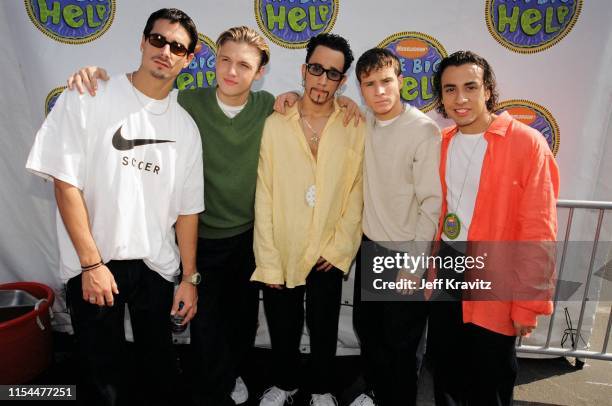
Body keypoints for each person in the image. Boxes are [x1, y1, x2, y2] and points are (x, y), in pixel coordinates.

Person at [66, 26, 362, 406]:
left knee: (243, 321)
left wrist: (334, 103)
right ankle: (213, 384)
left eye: (244, 65)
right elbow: (142, 95)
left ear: (259, 73)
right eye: (225, 60)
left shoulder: (269, 107)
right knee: (204, 324)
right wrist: (96, 77)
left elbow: (315, 127)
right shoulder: (187, 101)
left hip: (245, 238)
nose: (232, 71)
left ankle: (234, 374)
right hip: (197, 236)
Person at [26, 8, 203, 406]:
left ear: (188, 59)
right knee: (102, 382)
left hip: (156, 268)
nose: (166, 51)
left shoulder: (186, 128)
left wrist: (189, 280)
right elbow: (65, 182)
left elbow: (189, 211)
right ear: (142, 41)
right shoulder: (89, 96)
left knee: (160, 377)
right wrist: (91, 265)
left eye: (178, 47)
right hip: (94, 265)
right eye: (158, 40)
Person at [427, 50, 559, 406]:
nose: (461, 98)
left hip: (497, 275)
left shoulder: (527, 144)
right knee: (447, 378)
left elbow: (539, 230)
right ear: (441, 96)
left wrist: (528, 303)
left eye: (470, 87)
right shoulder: (440, 143)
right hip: (449, 272)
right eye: (450, 89)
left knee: (490, 381)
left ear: (488, 90)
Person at [251, 33, 364, 406]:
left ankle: (320, 388)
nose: (322, 80)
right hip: (283, 244)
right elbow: (264, 192)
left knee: (324, 326)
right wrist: (267, 257)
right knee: (282, 326)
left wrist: (340, 248)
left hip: (328, 250)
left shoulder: (353, 125)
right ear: (303, 70)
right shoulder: (275, 122)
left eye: (333, 74)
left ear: (342, 81)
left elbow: (356, 191)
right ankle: (283, 383)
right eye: (316, 69)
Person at [350, 48, 442, 406]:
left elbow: (431, 204)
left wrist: (414, 265)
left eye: (386, 81)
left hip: (405, 254)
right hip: (369, 247)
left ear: (401, 81)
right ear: (360, 89)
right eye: (369, 84)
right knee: (370, 334)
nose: (379, 91)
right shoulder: (364, 120)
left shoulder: (423, 130)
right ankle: (374, 393)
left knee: (402, 347)